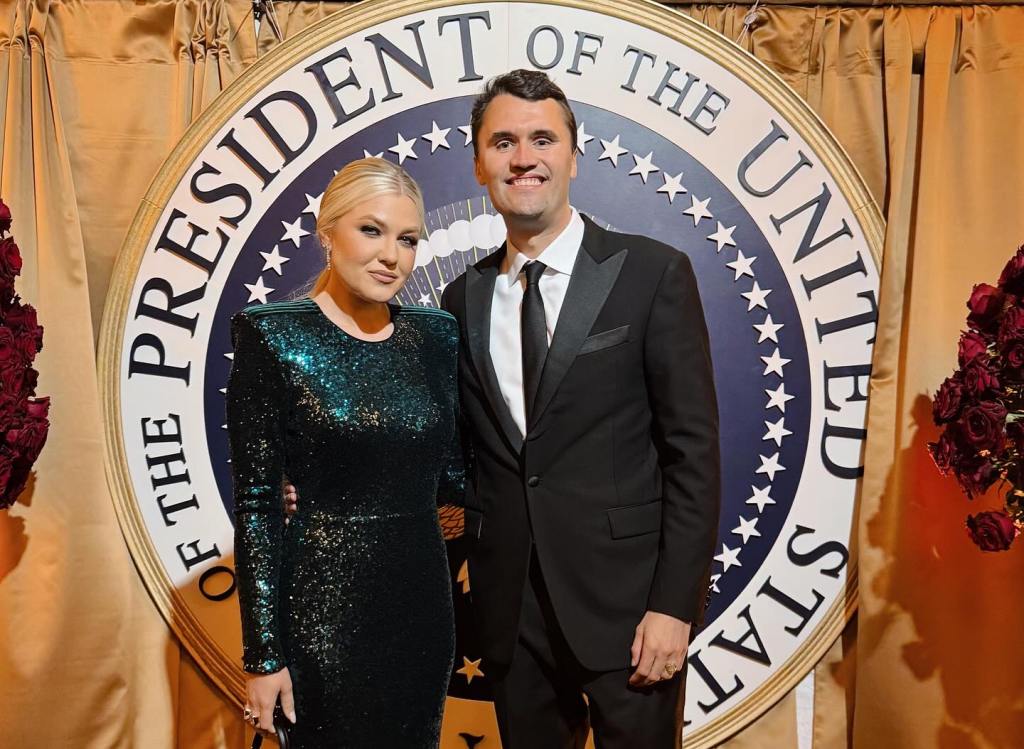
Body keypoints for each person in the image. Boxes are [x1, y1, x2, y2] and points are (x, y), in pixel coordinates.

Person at [438, 69, 721, 747]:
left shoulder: (652, 273)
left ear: (573, 152)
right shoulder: (460, 300)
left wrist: (673, 607)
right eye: (503, 141)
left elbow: (694, 456)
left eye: (542, 138)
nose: (524, 156)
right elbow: (457, 457)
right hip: (513, 618)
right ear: (479, 163)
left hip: (630, 614)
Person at [227, 158, 460, 747]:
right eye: (371, 230)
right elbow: (257, 504)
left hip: (421, 612)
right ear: (326, 231)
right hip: (318, 616)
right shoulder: (271, 333)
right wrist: (263, 655)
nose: (392, 256)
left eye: (407, 240)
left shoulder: (435, 336)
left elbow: (457, 474)